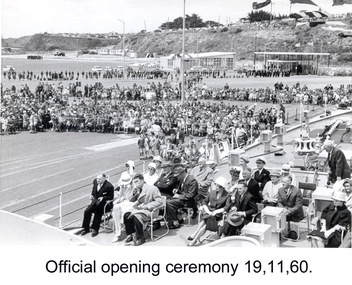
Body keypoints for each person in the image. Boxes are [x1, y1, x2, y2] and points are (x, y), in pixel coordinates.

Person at [187, 176, 231, 246]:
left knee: (205, 223)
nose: (216, 187)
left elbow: (227, 207)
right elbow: (205, 202)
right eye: (216, 185)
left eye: (219, 186)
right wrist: (207, 210)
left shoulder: (227, 195)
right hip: (209, 212)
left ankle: (194, 239)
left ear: (222, 187)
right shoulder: (212, 192)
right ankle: (195, 236)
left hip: (218, 215)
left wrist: (216, 212)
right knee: (204, 221)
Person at [123, 173, 163, 246]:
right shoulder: (140, 189)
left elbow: (160, 201)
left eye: (137, 181)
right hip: (142, 209)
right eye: (134, 182)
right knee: (126, 214)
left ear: (142, 180)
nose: (136, 184)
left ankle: (141, 237)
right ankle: (132, 234)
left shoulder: (152, 188)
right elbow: (139, 200)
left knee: (136, 215)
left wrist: (147, 206)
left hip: (151, 211)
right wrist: (133, 205)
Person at [111, 172, 140, 243]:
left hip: (132, 204)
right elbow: (120, 196)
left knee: (125, 213)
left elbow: (134, 198)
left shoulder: (135, 187)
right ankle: (118, 233)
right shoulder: (122, 186)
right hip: (123, 203)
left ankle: (129, 233)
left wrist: (132, 192)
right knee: (115, 208)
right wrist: (119, 199)